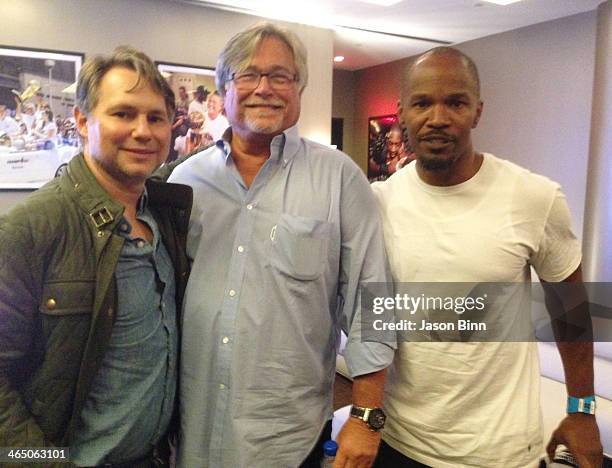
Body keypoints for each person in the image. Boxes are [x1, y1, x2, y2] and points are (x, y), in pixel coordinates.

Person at [168, 22, 394, 468]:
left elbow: (374, 299)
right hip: (192, 429)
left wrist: (366, 416)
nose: (264, 88)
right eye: (248, 75)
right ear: (223, 90)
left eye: (281, 76)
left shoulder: (339, 178)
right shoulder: (185, 181)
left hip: (288, 437)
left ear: (299, 89)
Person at [371, 47, 603, 468]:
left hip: (500, 452)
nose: (438, 118)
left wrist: (581, 408)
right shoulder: (378, 202)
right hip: (400, 442)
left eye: (455, 102)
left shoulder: (534, 197)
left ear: (477, 111)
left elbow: (571, 310)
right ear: (402, 112)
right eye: (422, 103)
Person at [0, 45, 192, 467]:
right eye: (123, 114)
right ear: (83, 122)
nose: (143, 131)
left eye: (155, 118)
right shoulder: (31, 228)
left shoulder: (164, 215)